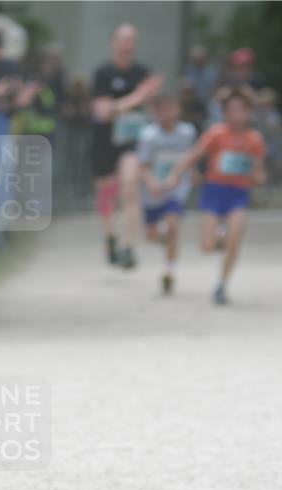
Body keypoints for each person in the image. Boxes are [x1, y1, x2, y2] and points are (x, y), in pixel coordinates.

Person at [167, 86, 267, 305]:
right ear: (225, 112)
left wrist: (252, 174)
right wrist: (177, 172)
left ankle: (222, 284)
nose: (236, 114)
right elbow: (195, 155)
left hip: (238, 193)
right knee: (207, 245)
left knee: (235, 238)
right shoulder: (217, 134)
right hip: (214, 191)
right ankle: (220, 235)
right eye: (232, 109)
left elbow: (260, 175)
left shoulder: (254, 139)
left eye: (241, 109)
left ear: (249, 112)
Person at [90, 23, 162, 268]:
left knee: (130, 189)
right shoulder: (103, 74)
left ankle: (128, 247)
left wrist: (151, 100)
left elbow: (151, 111)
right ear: (113, 43)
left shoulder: (143, 73)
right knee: (106, 195)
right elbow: (102, 112)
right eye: (123, 39)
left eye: (132, 39)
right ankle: (110, 236)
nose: (127, 44)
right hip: (104, 141)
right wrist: (136, 98)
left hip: (131, 142)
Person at [138, 92, 196, 295]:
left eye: (169, 108)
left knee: (172, 226)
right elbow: (143, 165)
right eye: (161, 110)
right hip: (153, 192)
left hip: (177, 189)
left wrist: (190, 173)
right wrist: (152, 182)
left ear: (178, 109)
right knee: (152, 236)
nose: (166, 113)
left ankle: (169, 271)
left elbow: (191, 156)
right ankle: (163, 237)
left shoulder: (187, 132)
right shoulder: (149, 136)